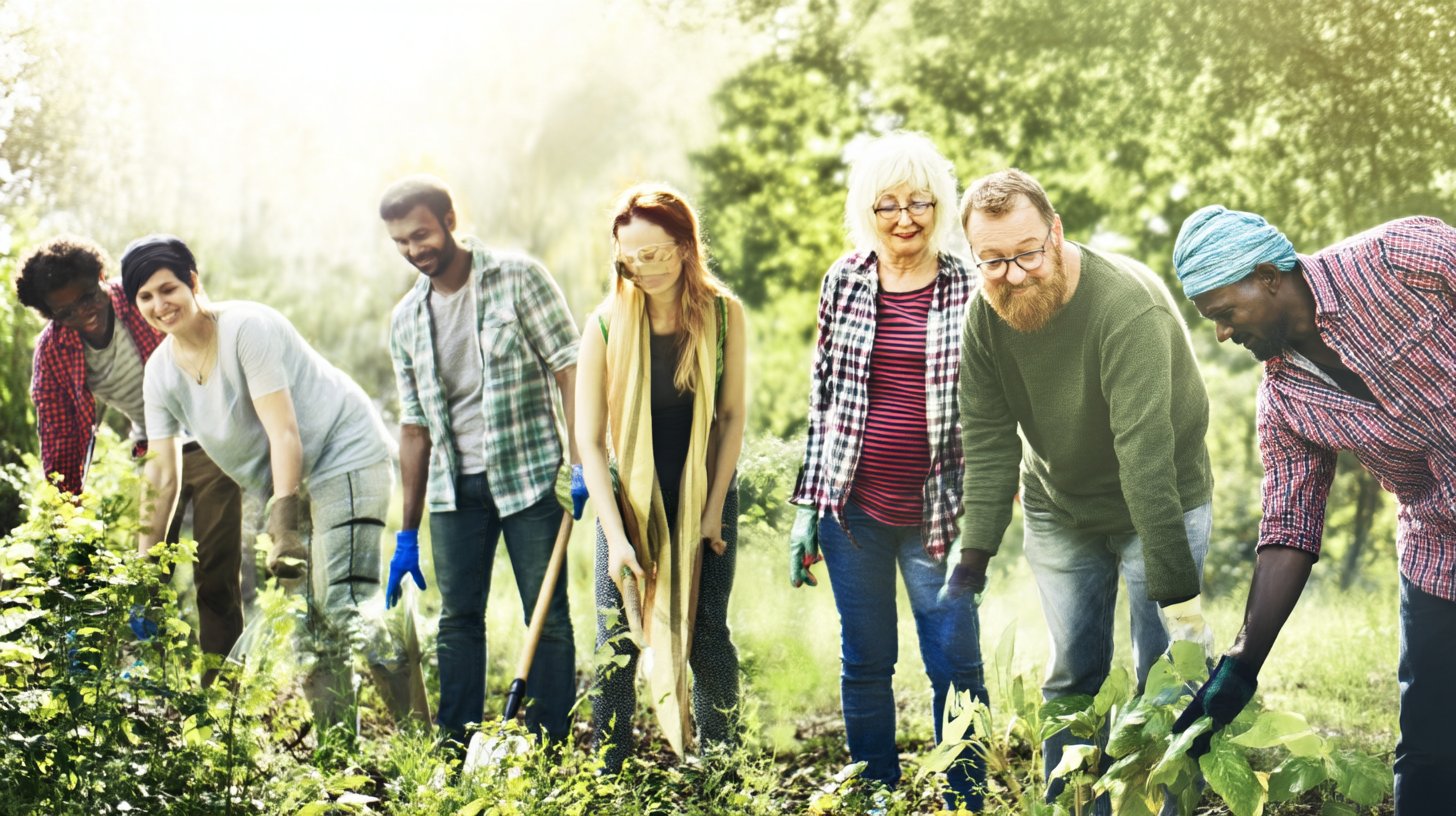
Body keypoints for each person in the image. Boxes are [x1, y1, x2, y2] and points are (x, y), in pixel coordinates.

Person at [1171, 206, 1456, 815]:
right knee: (1430, 745)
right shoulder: (1283, 400)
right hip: (1439, 548)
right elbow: (1289, 529)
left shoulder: (1401, 258)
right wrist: (1240, 666)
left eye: (1225, 313)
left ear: (1268, 276)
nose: (1221, 333)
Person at [955, 169, 1215, 814]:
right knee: (1073, 671)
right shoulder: (985, 315)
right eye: (992, 261)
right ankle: (1073, 807)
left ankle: (1169, 806)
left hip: (1159, 497)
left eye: (1027, 254)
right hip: (1059, 502)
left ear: (1056, 232)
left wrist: (1180, 602)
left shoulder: (1126, 309)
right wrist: (974, 552)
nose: (1013, 276)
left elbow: (1145, 456)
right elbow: (987, 437)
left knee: (1166, 674)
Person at [122, 234, 426, 731]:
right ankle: (336, 747)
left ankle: (420, 739)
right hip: (287, 483)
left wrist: (283, 523)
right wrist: (143, 567)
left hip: (342, 454)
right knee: (306, 624)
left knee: (345, 603)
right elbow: (161, 474)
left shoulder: (246, 329)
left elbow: (284, 431)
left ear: (193, 282)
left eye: (168, 288)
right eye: (146, 296)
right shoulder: (160, 373)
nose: (160, 305)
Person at [788, 131, 986, 809]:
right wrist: (807, 510)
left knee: (955, 663)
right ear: (866, 211)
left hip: (942, 515)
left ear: (941, 206)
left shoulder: (971, 285)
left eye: (919, 203)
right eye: (888, 205)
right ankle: (878, 796)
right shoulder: (843, 280)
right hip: (852, 513)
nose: (905, 219)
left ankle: (966, 798)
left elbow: (998, 406)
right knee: (866, 660)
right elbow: (823, 399)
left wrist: (987, 518)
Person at [380, 175, 582, 746]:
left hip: (529, 477)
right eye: (400, 242)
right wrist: (407, 532)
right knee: (458, 620)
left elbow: (570, 368)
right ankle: (456, 745)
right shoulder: (406, 319)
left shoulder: (518, 278)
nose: (414, 249)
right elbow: (414, 427)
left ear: (450, 219)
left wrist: (582, 460)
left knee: (547, 617)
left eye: (421, 234)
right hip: (453, 489)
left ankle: (547, 750)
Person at [576, 183, 747, 772]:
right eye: (629, 257)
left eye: (654, 254)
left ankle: (722, 763)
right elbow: (590, 442)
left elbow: (730, 418)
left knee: (707, 630)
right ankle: (610, 769)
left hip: (705, 492)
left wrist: (713, 510)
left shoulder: (723, 315)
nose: (642, 269)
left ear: (686, 246)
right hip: (627, 502)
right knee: (616, 639)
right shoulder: (604, 325)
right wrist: (615, 535)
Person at [17, 236, 244, 675]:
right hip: (153, 451)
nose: (83, 313)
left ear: (101, 278)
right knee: (146, 572)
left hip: (209, 439)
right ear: (50, 314)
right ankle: (149, 684)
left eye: (88, 297)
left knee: (215, 572)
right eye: (65, 311)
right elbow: (61, 437)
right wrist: (67, 515)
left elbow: (207, 332)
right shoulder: (55, 352)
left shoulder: (144, 300)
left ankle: (221, 689)